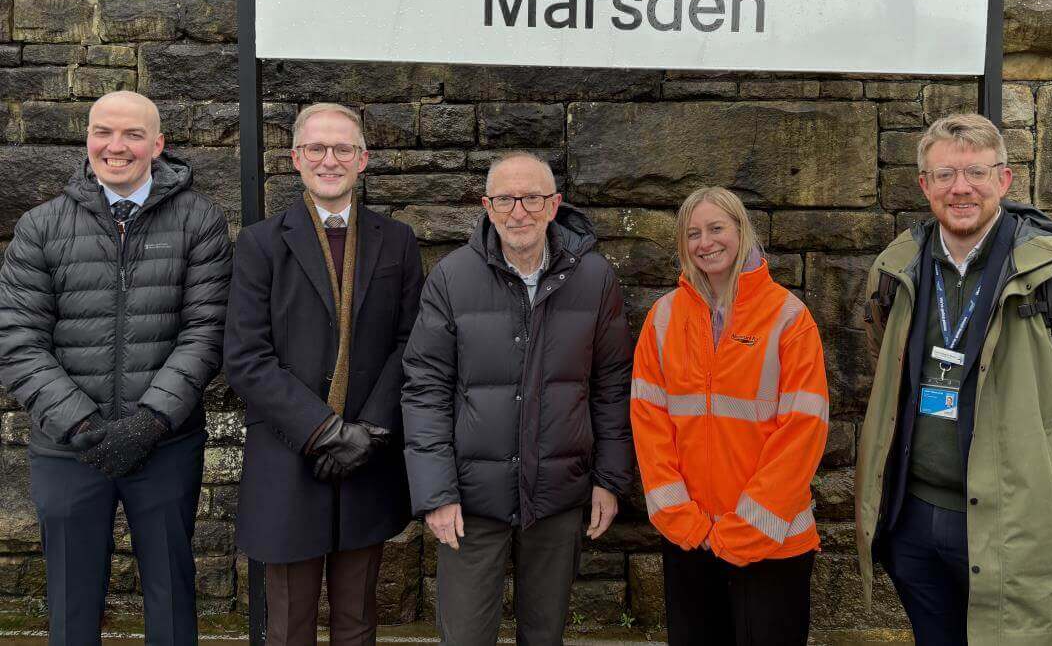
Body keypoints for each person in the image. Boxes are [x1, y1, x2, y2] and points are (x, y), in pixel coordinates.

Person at [855, 113, 1052, 646]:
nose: (960, 188)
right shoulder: (895, 270)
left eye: (976, 173)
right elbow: (888, 366)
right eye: (944, 175)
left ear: (1005, 180)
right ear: (924, 185)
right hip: (915, 524)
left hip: (1017, 529)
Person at [0, 90, 232, 646]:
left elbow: (207, 331)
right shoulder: (41, 226)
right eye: (104, 132)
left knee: (171, 596)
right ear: (88, 139)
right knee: (71, 602)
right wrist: (81, 424)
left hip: (165, 443)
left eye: (132, 135)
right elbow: (18, 338)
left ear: (158, 144)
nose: (116, 146)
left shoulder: (200, 221)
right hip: (67, 447)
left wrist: (152, 420)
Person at [402, 150, 633, 646]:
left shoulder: (595, 280)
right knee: (464, 637)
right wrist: (437, 493)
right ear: (487, 206)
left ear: (555, 205)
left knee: (545, 635)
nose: (519, 211)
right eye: (506, 199)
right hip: (469, 500)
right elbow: (425, 390)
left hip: (558, 495)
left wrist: (609, 480)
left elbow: (612, 388)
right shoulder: (452, 277)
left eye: (532, 198)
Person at [223, 102, 423, 646]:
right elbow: (245, 356)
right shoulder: (261, 244)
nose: (328, 158)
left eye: (342, 148)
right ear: (295, 158)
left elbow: (411, 343)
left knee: (357, 621)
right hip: (290, 455)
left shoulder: (398, 241)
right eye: (316, 147)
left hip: (368, 453)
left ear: (363, 159)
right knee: (288, 623)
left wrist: (369, 431)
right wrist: (324, 431)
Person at [631, 186, 829, 646]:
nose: (706, 242)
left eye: (717, 228)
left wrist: (743, 530)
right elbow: (650, 424)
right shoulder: (662, 318)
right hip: (691, 539)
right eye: (693, 233)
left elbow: (803, 431)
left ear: (741, 232)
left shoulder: (788, 316)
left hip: (771, 541)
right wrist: (685, 521)